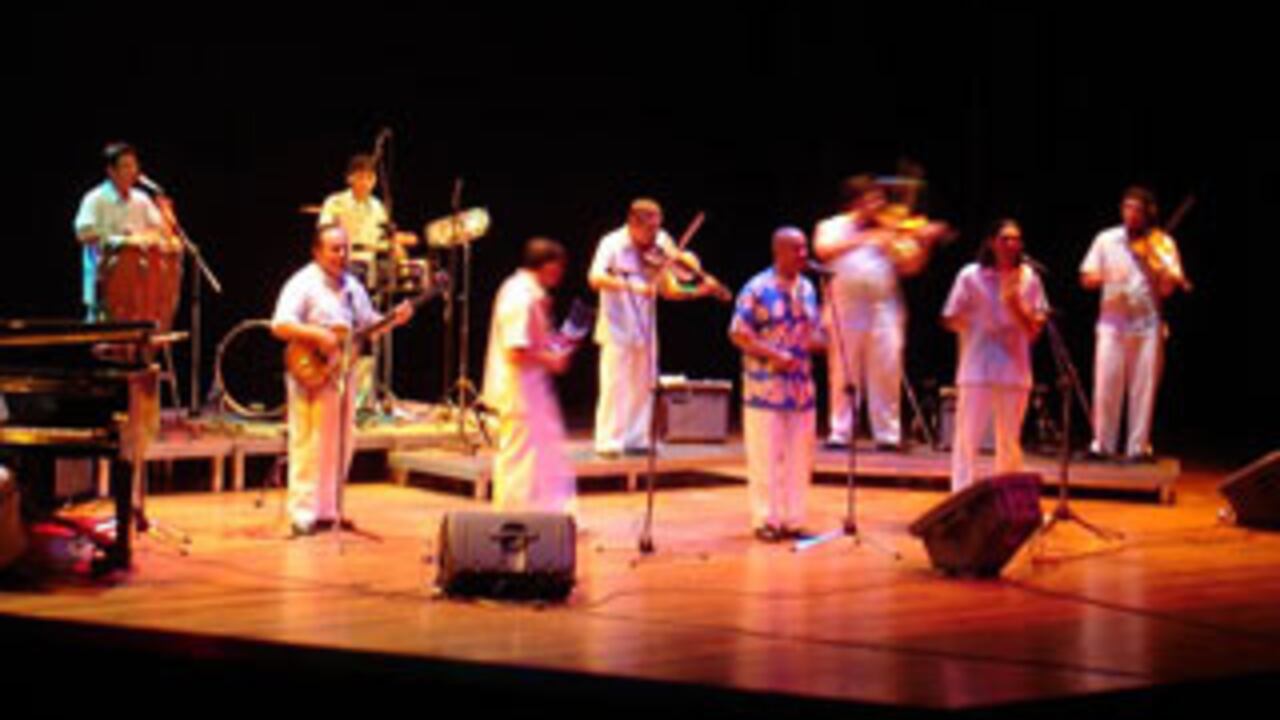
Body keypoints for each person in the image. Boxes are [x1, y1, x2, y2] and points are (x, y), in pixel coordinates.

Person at [271, 223, 413, 536]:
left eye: (345, 248)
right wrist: (318, 334)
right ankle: (302, 513)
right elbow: (280, 324)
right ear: (317, 251)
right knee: (308, 440)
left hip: (342, 371)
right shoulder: (303, 282)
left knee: (340, 440)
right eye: (335, 249)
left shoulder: (352, 286)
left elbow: (368, 324)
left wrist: (394, 319)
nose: (341, 255)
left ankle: (328, 508)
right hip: (310, 368)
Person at [813, 175, 947, 451]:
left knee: (886, 369)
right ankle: (841, 431)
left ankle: (887, 433)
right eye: (873, 199)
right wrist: (868, 238)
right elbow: (824, 251)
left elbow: (910, 267)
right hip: (846, 306)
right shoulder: (833, 226)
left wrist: (924, 244)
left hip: (883, 308)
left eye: (880, 200)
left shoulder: (890, 231)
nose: (879, 206)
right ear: (857, 201)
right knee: (844, 371)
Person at [587, 198, 719, 457]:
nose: (654, 236)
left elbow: (670, 289)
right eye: (649, 229)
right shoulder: (611, 243)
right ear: (633, 223)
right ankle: (609, 441)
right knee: (616, 385)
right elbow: (595, 277)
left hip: (645, 326)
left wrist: (700, 289)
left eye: (658, 228)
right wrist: (633, 286)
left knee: (643, 384)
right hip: (617, 325)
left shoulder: (662, 243)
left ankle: (638, 438)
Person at [1080, 186, 1188, 462]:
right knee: (1106, 384)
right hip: (1112, 323)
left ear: (1148, 213)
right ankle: (1101, 444)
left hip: (1148, 325)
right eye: (1127, 208)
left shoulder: (1162, 244)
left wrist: (1161, 270)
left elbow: (1166, 291)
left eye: (1138, 209)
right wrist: (1105, 278)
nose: (1131, 214)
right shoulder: (1106, 239)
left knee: (1144, 387)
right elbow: (1086, 277)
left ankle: (1138, 447)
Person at [729, 227, 824, 541]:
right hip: (765, 386)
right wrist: (772, 354)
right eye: (796, 249)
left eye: (804, 248)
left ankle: (794, 520)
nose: (803, 255)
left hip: (801, 387)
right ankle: (766, 520)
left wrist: (828, 341)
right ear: (779, 252)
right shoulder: (757, 288)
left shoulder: (808, 288)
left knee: (800, 457)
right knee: (766, 457)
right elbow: (738, 332)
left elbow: (812, 332)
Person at [941, 219, 1047, 492]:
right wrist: (967, 319)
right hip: (977, 366)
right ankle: (961, 494)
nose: (1011, 244)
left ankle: (1007, 496)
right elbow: (950, 316)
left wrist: (1014, 304)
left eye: (1016, 239)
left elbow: (1035, 330)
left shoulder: (1029, 278)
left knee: (1009, 439)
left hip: (1014, 369)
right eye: (1005, 238)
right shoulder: (970, 275)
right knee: (967, 438)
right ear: (991, 242)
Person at [481, 238, 577, 514]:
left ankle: (544, 514)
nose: (560, 274)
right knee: (518, 458)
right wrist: (552, 360)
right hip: (519, 391)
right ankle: (511, 518)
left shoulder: (529, 292)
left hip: (532, 390)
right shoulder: (520, 296)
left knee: (542, 456)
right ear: (545, 266)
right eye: (557, 268)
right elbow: (515, 350)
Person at [73, 142, 177, 321]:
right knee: (107, 344)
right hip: (105, 288)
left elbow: (162, 232)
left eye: (134, 165)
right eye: (126, 166)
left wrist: (165, 216)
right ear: (111, 171)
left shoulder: (142, 199)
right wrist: (121, 240)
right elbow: (83, 234)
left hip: (139, 294)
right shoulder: (95, 199)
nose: (133, 171)